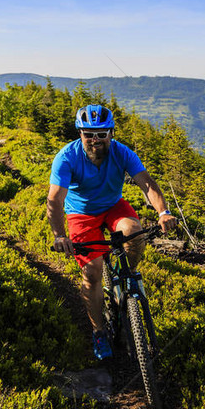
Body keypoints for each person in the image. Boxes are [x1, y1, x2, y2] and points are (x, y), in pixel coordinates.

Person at [47, 104, 178, 360]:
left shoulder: (122, 153)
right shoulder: (67, 157)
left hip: (113, 206)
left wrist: (163, 213)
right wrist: (59, 235)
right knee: (92, 272)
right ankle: (99, 331)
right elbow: (55, 200)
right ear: (80, 134)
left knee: (135, 231)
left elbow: (147, 184)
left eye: (101, 134)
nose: (95, 140)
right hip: (81, 214)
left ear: (111, 133)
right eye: (88, 134)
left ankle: (124, 276)